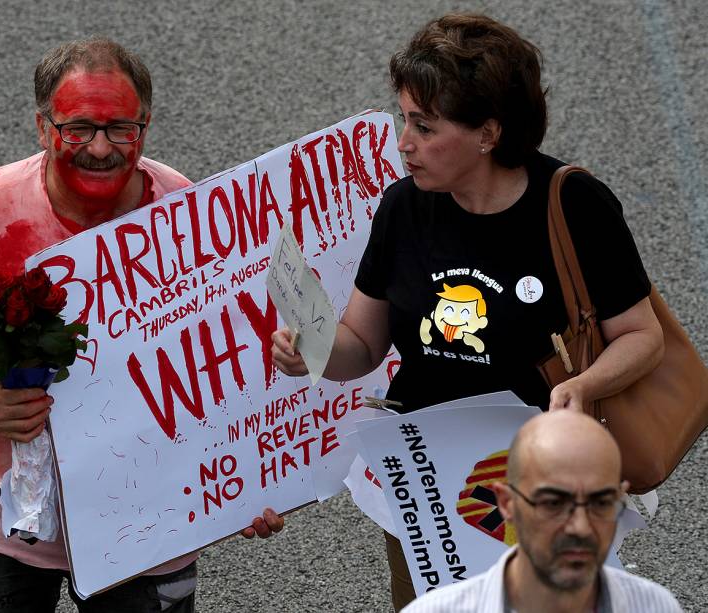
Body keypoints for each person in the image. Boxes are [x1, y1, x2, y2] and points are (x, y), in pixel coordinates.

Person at [271, 13, 663, 610]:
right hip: (424, 479)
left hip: (542, 482)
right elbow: (364, 344)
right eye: (404, 118)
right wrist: (314, 353)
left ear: (488, 133)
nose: (403, 142)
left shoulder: (574, 204)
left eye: (424, 127)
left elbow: (641, 337)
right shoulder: (403, 207)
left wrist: (583, 386)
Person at [0, 36, 282, 612]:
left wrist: (252, 482)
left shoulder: (186, 212)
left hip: (150, 518)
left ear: (145, 125)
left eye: (121, 128)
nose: (101, 148)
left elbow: (230, 353)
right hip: (3, 516)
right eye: (79, 128)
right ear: (44, 127)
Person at [400, 410, 682, 612]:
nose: (580, 527)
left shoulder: (657, 606)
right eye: (553, 504)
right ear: (507, 504)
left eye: (600, 502)